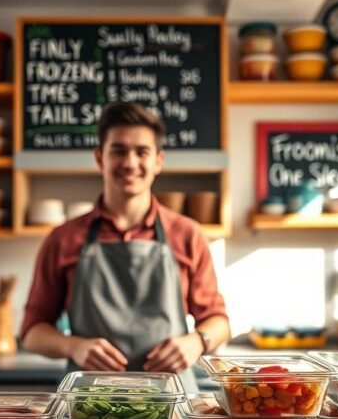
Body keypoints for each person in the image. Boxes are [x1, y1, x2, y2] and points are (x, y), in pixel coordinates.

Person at [20, 102, 230, 390]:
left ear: (158, 160)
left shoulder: (187, 234)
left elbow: (219, 322)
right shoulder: (63, 239)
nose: (130, 163)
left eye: (142, 152)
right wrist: (73, 347)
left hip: (171, 403)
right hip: (89, 405)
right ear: (99, 158)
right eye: (118, 150)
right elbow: (32, 331)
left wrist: (197, 341)